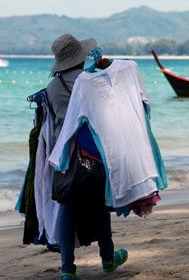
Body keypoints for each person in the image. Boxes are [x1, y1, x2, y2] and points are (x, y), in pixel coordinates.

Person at [47, 34, 128, 280]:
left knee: (67, 206)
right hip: (93, 150)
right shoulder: (92, 79)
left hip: (64, 154)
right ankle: (107, 258)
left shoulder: (53, 86)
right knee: (99, 205)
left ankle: (67, 270)